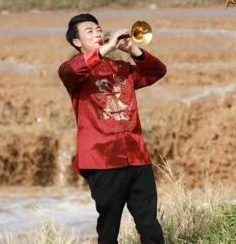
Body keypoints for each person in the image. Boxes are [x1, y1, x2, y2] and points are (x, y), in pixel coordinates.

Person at [58, 13, 166, 244]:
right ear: (77, 42)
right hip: (102, 159)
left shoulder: (122, 68)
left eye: (98, 29)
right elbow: (74, 70)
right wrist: (106, 47)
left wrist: (132, 50)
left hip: (137, 156)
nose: (97, 32)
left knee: (149, 221)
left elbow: (157, 72)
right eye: (90, 31)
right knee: (109, 225)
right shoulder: (71, 70)